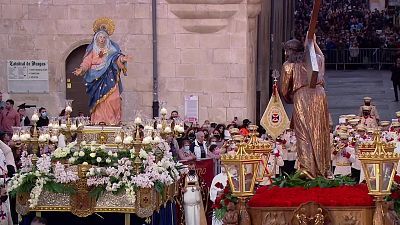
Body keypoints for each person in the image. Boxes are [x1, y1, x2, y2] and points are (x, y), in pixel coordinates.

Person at [280, 37, 331, 178]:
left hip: (302, 95)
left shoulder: (288, 65)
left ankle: (308, 169)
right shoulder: (316, 61)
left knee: (303, 133)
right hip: (319, 95)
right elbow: (322, 56)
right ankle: (323, 169)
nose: (286, 54)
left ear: (292, 51)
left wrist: (291, 98)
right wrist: (313, 44)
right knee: (320, 131)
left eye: (287, 51)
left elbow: (284, 89)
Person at [73, 17, 129, 125]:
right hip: (96, 78)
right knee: (99, 101)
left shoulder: (112, 49)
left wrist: (122, 59)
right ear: (96, 38)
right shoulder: (92, 49)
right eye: (100, 37)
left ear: (107, 38)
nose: (102, 39)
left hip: (110, 76)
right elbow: (87, 62)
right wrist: (82, 69)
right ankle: (99, 121)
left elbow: (117, 57)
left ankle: (113, 121)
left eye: (104, 37)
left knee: (114, 98)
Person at [182, 161, 207, 225]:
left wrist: (200, 188)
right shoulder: (183, 178)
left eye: (192, 168)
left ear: (195, 168)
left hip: (196, 205)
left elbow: (205, 188)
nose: (191, 170)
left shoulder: (199, 177)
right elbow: (179, 189)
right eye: (190, 169)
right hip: (187, 205)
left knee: (197, 220)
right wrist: (182, 190)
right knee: (188, 220)